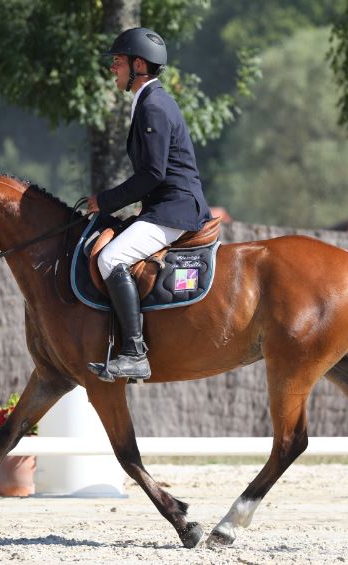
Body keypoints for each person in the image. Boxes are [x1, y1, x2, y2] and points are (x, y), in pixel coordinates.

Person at [86, 27, 212, 381]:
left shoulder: (153, 106)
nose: (113, 68)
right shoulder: (150, 102)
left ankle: (134, 352)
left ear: (138, 65)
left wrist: (105, 201)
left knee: (111, 257)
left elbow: (152, 174)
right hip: (165, 205)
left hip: (174, 208)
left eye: (118, 61)